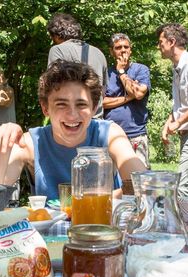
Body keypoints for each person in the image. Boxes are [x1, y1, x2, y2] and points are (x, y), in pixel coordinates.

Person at [0, 60, 146, 200]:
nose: (72, 115)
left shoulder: (109, 133)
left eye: (81, 104)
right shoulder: (32, 142)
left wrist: (90, 202)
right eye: (61, 104)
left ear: (94, 108)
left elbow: (141, 185)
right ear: (45, 108)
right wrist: (3, 147)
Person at [103, 33, 151, 169]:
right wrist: (128, 98)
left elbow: (138, 93)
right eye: (118, 47)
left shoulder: (141, 69)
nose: (123, 50)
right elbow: (100, 102)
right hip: (111, 134)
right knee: (112, 180)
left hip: (136, 134)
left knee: (138, 180)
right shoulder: (106, 73)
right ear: (111, 51)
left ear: (131, 49)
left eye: (126, 47)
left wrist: (122, 72)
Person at [47, 13, 108, 119]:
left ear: (56, 36)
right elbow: (103, 91)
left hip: (72, 120)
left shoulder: (57, 50)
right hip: (96, 119)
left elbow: (53, 86)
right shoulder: (99, 53)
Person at [157, 23, 188, 197]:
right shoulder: (176, 67)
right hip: (185, 133)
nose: (158, 46)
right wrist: (168, 123)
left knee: (183, 188)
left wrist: (177, 122)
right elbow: (181, 103)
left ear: (172, 42)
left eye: (161, 42)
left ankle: (182, 224)